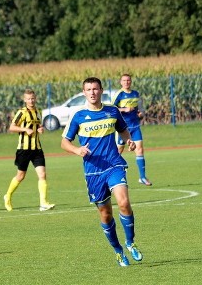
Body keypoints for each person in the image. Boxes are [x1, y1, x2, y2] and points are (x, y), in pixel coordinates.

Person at [60, 77, 143, 267]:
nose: (92, 92)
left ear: (101, 91)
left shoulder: (112, 111)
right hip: (93, 172)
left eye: (95, 89)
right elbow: (64, 142)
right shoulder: (79, 116)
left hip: (114, 164)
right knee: (106, 214)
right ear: (84, 93)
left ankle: (130, 243)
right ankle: (118, 251)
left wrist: (128, 140)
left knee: (123, 202)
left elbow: (123, 130)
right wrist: (76, 150)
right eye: (88, 89)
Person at [3, 89, 55, 212]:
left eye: (32, 98)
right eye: (28, 99)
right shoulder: (22, 112)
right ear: (25, 100)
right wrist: (25, 130)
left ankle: (43, 203)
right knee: (20, 176)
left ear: (35, 98)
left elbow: (38, 126)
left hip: (37, 149)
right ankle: (8, 196)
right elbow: (11, 127)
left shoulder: (38, 112)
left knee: (42, 175)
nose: (31, 101)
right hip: (24, 149)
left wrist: (41, 129)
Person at [113, 74, 152, 186]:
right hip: (122, 128)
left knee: (139, 150)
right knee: (117, 153)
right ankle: (113, 176)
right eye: (124, 80)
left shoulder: (135, 94)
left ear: (131, 81)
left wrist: (141, 112)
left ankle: (142, 177)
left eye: (128, 80)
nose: (126, 82)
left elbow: (140, 107)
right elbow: (112, 109)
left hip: (135, 126)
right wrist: (124, 109)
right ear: (121, 82)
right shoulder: (119, 94)